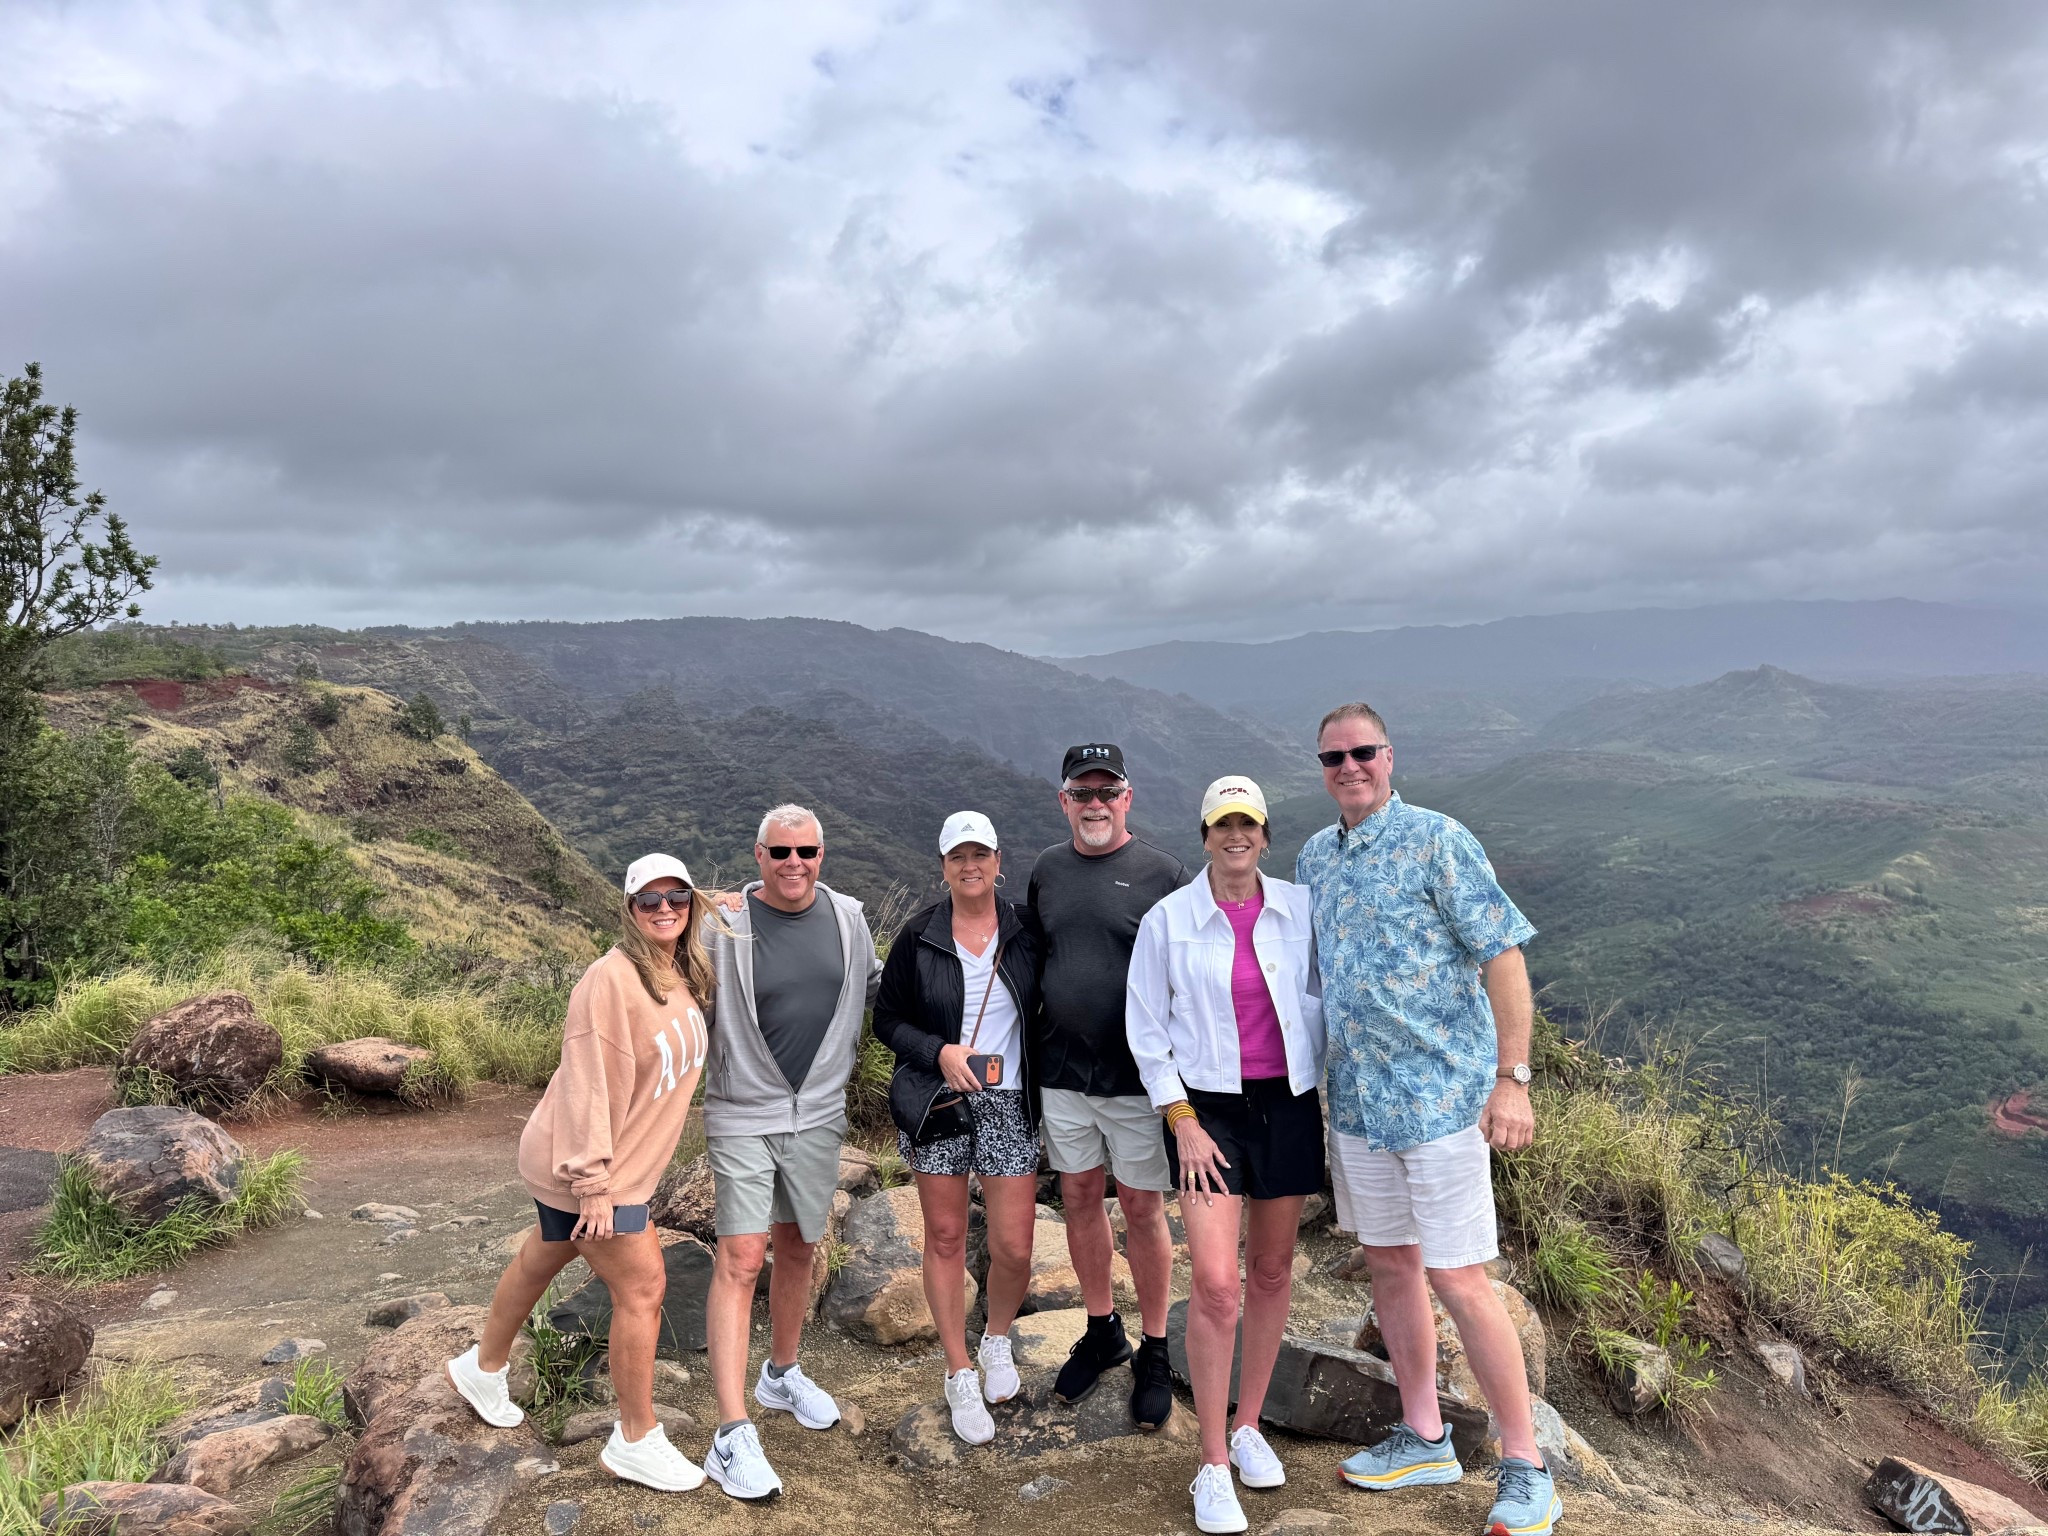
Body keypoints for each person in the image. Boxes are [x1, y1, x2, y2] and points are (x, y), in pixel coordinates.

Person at [1297, 703, 1560, 1536]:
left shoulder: (1438, 839)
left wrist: (1511, 1080)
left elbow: (1504, 955)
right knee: (1391, 1267)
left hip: (1441, 1100)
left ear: (1388, 755)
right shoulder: (1313, 858)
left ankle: (1527, 1464)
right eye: (1334, 758)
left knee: (1459, 1277)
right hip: (1361, 1106)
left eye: (1362, 753)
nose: (1349, 767)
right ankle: (1423, 1434)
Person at [446, 853, 715, 1493]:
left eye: (675, 896)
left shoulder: (679, 970)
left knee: (545, 1254)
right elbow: (589, 1085)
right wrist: (595, 1184)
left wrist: (732, 896)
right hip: (587, 1166)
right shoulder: (609, 979)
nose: (662, 908)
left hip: (598, 1164)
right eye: (646, 899)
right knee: (643, 1289)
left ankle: (482, 1367)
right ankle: (635, 1437)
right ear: (627, 909)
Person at [1126, 775, 1325, 1535]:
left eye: (1248, 825)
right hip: (1206, 1111)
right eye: (1221, 826)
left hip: (1288, 1103)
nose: (1235, 837)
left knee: (1271, 1272)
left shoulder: (1300, 910)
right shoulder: (1170, 921)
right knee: (1213, 1284)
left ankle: (1249, 1426)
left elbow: (1331, 996)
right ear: (1204, 837)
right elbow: (1146, 1029)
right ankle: (1212, 1462)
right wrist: (1180, 1118)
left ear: (1266, 835)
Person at [699, 804, 883, 1500]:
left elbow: (875, 987)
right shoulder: (723, 925)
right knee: (743, 1258)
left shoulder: (849, 918)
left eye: (807, 850)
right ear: (758, 856)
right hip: (744, 1112)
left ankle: (779, 1374)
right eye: (781, 852)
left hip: (819, 1116)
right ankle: (730, 1434)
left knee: (801, 1244)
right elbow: (666, 967)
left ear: (822, 853)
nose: (795, 863)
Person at [1028, 742, 1189, 1429]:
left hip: (1136, 1078)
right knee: (1080, 1196)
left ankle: (1154, 1346)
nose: (1095, 804)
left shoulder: (1163, 873)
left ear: (1128, 798)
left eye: (1107, 792)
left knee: (1145, 1209)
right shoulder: (1046, 870)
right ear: (1063, 800)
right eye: (1081, 793)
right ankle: (1103, 1330)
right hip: (1062, 1070)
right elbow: (1034, 954)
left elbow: (1188, 974)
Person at [871, 811, 1044, 1445]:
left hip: (1008, 1102)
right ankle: (958, 1367)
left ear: (1000, 861)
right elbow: (886, 1020)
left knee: (1015, 1247)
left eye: (981, 854)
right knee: (944, 1236)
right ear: (943, 865)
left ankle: (996, 1336)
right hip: (938, 1098)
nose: (970, 866)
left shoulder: (1027, 929)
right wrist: (937, 1050)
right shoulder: (919, 937)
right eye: (957, 856)